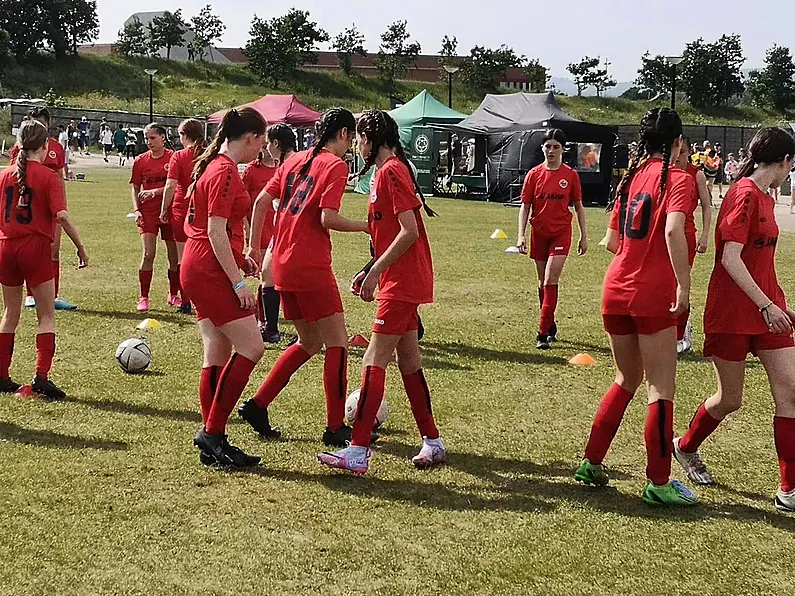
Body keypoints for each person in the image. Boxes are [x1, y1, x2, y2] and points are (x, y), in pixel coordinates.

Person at [575, 107, 700, 507]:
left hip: (615, 287)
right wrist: (683, 282)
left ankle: (591, 462)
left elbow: (612, 242)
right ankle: (659, 482)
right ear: (677, 143)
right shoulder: (678, 178)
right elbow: (673, 228)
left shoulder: (632, 178)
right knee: (660, 386)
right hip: (651, 293)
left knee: (626, 378)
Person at [672, 127, 795, 514]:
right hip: (734, 310)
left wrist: (778, 304)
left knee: (790, 392)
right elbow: (730, 259)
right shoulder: (743, 194)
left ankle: (788, 489)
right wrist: (765, 305)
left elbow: (761, 262)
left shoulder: (762, 195)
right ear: (785, 162)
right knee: (730, 399)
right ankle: (685, 446)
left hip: (768, 310)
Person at [317, 110, 444, 474]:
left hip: (403, 282)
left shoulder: (391, 171)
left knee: (373, 359)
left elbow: (409, 232)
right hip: (397, 279)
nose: (356, 146)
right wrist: (369, 270)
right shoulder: (383, 172)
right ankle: (432, 442)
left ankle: (357, 451)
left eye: (358, 139)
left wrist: (375, 272)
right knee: (409, 361)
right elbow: (387, 233)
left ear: (371, 139)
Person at [239, 108, 370, 447]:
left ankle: (257, 405)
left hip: (280, 262)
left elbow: (262, 201)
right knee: (338, 342)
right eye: (351, 137)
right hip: (309, 264)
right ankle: (334, 426)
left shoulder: (294, 159)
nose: (352, 144)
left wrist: (255, 246)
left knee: (309, 342)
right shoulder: (336, 165)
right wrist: (366, 226)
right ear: (342, 134)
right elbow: (327, 218)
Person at [180, 107, 267, 467]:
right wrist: (237, 281)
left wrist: (238, 257)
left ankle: (213, 436)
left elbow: (215, 229)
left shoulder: (215, 164)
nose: (261, 148)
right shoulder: (226, 169)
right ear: (249, 139)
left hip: (200, 262)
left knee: (216, 348)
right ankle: (213, 432)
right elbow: (214, 230)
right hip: (208, 267)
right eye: (260, 141)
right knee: (252, 347)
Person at [0, 120, 88, 400]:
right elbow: (61, 216)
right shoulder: (50, 177)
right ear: (46, 144)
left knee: (9, 313)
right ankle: (41, 377)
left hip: (5, 246)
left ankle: (2, 376)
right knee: (46, 315)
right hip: (35, 247)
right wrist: (80, 247)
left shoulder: (3, 175)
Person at [517, 129, 588, 350]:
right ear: (542, 148)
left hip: (561, 233)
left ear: (563, 149)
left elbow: (578, 206)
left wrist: (584, 236)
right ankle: (550, 323)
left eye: (556, 147)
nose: (551, 151)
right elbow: (525, 206)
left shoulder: (570, 175)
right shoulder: (534, 175)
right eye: (548, 146)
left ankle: (541, 332)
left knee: (550, 280)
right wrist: (521, 234)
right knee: (542, 283)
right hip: (539, 233)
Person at [11, 108, 78, 312]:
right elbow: (16, 178)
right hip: (30, 208)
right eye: (34, 122)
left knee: (53, 251)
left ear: (48, 123)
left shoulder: (55, 147)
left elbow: (59, 178)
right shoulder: (20, 149)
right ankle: (31, 295)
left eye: (41, 122)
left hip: (52, 206)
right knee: (31, 251)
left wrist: (62, 205)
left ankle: (53, 295)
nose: (37, 126)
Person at [246, 123, 298, 344]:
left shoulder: (295, 164)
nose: (266, 148)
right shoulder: (285, 164)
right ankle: (271, 329)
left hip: (293, 230)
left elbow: (262, 202)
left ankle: (309, 328)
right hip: (282, 228)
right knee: (268, 273)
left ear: (277, 143)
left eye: (268, 143)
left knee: (292, 280)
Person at [129, 123, 177, 312]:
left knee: (174, 256)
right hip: (147, 213)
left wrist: (155, 192)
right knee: (148, 254)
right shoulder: (140, 161)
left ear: (163, 137)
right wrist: (137, 210)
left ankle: (173, 294)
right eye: (146, 138)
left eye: (153, 138)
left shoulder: (173, 158)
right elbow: (134, 187)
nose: (148, 142)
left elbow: (175, 185)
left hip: (169, 211)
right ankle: (144, 297)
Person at [161, 118, 207, 315]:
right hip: (203, 208)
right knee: (203, 256)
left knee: (182, 258)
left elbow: (170, 185)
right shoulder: (209, 154)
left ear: (185, 135)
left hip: (182, 209)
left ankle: (186, 301)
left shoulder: (179, 156)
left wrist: (164, 209)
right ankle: (204, 299)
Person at [674, 136, 712, 354]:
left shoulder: (695, 173)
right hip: (663, 236)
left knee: (681, 283)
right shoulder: (664, 171)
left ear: (689, 152)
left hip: (686, 236)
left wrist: (705, 236)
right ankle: (666, 330)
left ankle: (680, 335)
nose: (679, 156)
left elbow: (706, 207)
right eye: (676, 151)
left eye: (683, 151)